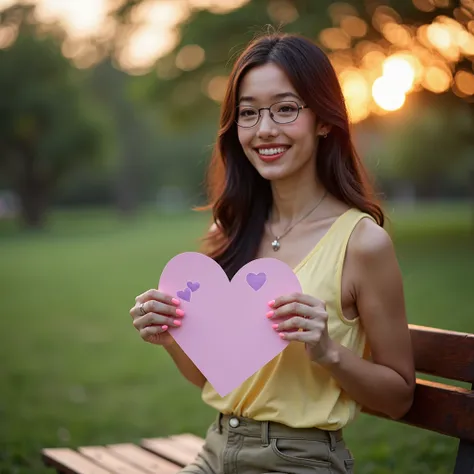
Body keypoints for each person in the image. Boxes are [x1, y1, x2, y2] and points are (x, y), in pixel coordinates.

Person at [129, 32, 415, 474]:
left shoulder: (361, 243)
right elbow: (210, 377)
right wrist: (173, 338)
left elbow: (399, 397)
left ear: (323, 119)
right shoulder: (231, 229)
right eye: (248, 113)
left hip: (299, 460)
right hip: (215, 450)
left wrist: (328, 351)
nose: (264, 129)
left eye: (285, 108)